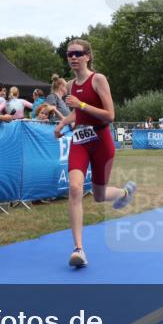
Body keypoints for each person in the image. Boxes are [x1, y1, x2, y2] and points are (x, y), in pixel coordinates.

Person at [53, 39, 135, 268]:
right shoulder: (70, 85)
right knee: (75, 188)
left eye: (78, 53)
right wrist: (62, 124)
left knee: (98, 195)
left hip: (101, 141)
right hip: (80, 142)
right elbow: (78, 116)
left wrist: (80, 105)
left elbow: (110, 115)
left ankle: (124, 193)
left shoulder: (98, 79)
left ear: (88, 56)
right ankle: (78, 249)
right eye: (69, 54)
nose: (73, 57)